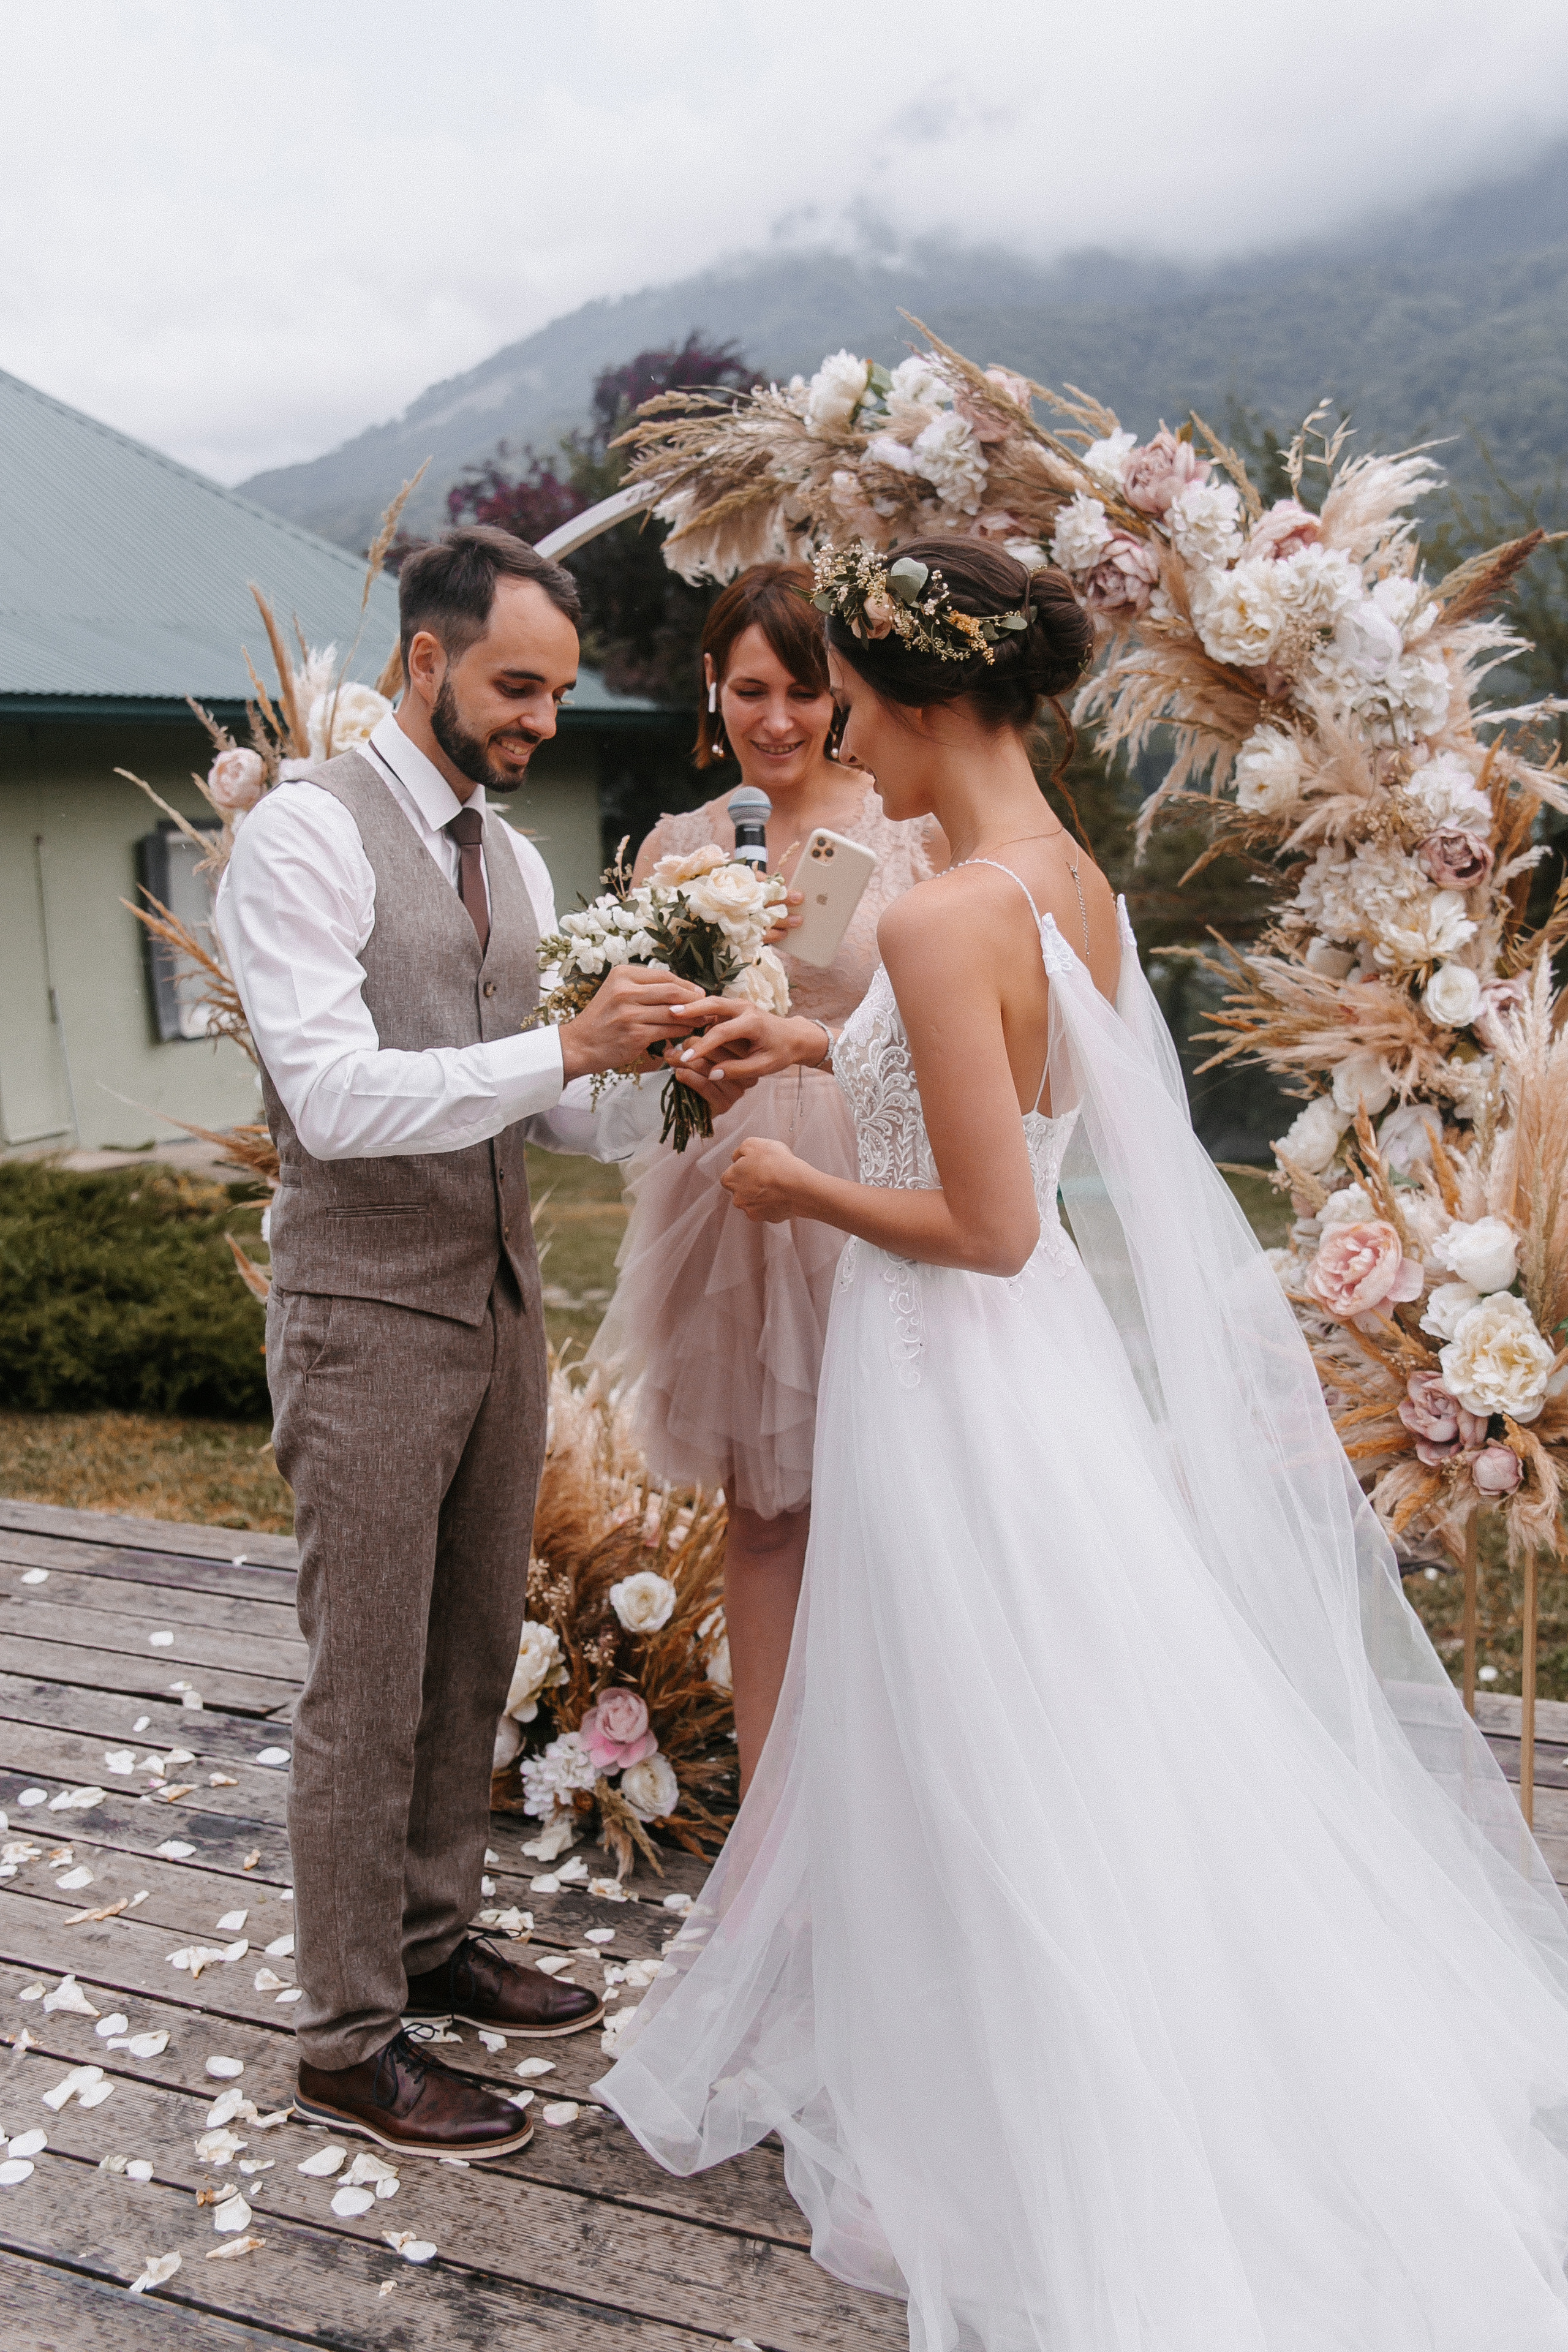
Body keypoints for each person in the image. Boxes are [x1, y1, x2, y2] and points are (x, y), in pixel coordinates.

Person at [601, 538, 1568, 2348]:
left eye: (861, 704)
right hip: (1029, 1378)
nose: (843, 740)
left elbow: (989, 1221)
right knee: (1061, 1711)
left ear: (926, 698)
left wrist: (801, 1175)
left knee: (965, 1731)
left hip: (949, 1356)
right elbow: (986, 1071)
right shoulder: (1061, 883)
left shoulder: (931, 905)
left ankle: (1028, 2097)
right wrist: (812, 1029)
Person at [216, 525, 741, 2162]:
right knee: (362, 1684)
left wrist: (659, 1075)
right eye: (519, 686)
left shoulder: (512, 867)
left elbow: (557, 1112)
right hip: (365, 1313)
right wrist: (552, 1045)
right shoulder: (303, 837)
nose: (542, 720)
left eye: (560, 693)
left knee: (465, 1660)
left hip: (497, 1301)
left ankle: (436, 1939)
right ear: (426, 662)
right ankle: (345, 2033)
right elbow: (335, 1097)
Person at [590, 562, 943, 1792]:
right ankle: (772, 1810)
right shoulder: (684, 847)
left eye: (803, 689)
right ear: (711, 686)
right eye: (752, 689)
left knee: (893, 1503)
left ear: (839, 693)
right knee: (765, 1514)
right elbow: (638, 1058)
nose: (779, 717)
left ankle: (894, 1793)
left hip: (863, 1180)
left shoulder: (905, 827)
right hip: (730, 1195)